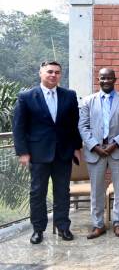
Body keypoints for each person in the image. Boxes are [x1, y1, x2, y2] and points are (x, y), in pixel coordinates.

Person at [13, 61, 82, 244]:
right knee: (37, 192)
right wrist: (23, 152)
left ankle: (63, 227)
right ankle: (38, 229)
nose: (53, 75)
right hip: (37, 153)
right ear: (41, 73)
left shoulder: (69, 95)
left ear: (61, 75)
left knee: (62, 192)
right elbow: (19, 127)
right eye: (49, 71)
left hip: (63, 152)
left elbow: (73, 124)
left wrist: (76, 147)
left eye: (57, 72)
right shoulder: (26, 96)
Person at [78, 68, 119, 239]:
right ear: (98, 79)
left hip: (118, 150)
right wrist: (94, 146)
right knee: (96, 189)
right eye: (103, 78)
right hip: (96, 152)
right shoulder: (88, 101)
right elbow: (82, 126)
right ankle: (98, 224)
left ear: (115, 80)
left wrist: (115, 143)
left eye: (109, 78)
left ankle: (118, 223)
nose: (106, 81)